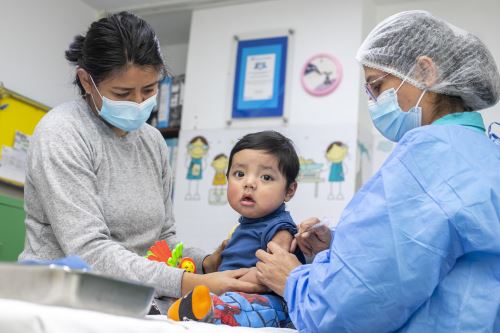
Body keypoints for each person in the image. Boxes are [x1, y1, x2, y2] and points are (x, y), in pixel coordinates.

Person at [254, 10, 500, 332]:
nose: (373, 101)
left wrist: (292, 280)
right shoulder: (486, 153)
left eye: (376, 85)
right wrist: (338, 250)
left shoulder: (427, 160)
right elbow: (433, 261)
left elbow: (349, 311)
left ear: (424, 71)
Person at [19, 11, 262, 308]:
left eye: (148, 90)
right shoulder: (62, 133)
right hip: (63, 300)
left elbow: (163, 241)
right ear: (86, 81)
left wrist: (206, 263)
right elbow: (88, 250)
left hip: (133, 301)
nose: (137, 103)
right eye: (122, 93)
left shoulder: (153, 141)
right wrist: (190, 282)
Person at [168, 131, 305, 328]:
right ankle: (203, 307)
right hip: (234, 293)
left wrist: (225, 283)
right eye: (239, 174)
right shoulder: (243, 226)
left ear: (289, 191)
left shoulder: (280, 228)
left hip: (268, 302)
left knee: (236, 307)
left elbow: (275, 270)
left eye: (266, 177)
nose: (249, 183)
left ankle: (208, 309)